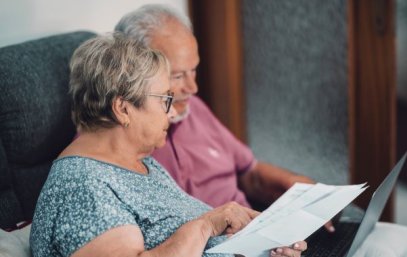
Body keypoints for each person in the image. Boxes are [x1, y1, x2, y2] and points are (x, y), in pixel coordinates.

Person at [30, 33, 306, 257]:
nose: (172, 113)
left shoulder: (143, 165)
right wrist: (207, 224)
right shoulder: (82, 185)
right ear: (123, 109)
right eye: (165, 100)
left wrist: (258, 243)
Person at [114, 4, 336, 232]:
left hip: (257, 235)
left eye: (194, 70)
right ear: (134, 74)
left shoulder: (194, 108)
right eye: (178, 76)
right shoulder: (115, 144)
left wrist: (294, 186)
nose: (193, 87)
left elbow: (249, 174)